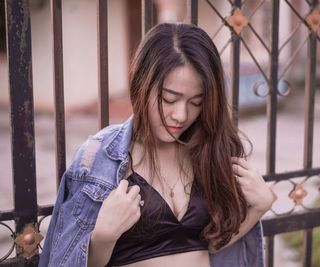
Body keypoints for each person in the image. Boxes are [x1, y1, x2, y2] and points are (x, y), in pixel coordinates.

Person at [39, 22, 275, 267]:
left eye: (196, 102)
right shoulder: (100, 156)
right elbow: (67, 261)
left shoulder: (210, 150)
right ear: (142, 85)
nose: (181, 115)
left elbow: (214, 246)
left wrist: (258, 208)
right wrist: (103, 238)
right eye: (169, 99)